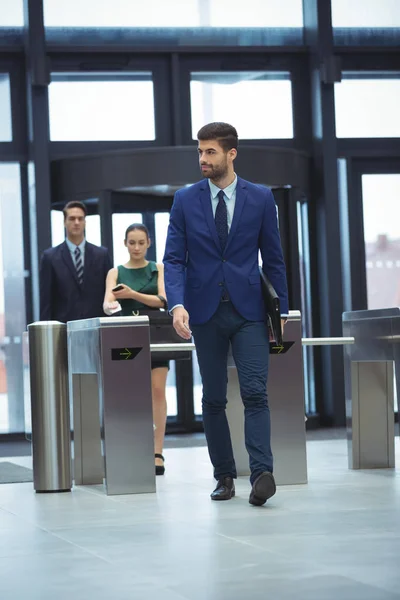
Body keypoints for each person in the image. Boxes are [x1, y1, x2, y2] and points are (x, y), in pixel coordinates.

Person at [163, 122, 289, 506]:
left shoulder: (262, 197)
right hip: (203, 313)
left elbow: (275, 258)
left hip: (249, 311)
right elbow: (173, 259)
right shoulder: (185, 200)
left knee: (255, 393)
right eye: (200, 152)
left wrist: (279, 308)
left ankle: (262, 473)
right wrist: (178, 304)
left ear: (231, 153)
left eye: (210, 152)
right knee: (214, 398)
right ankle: (224, 476)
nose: (203, 158)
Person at [103, 224, 169, 476]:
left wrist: (132, 294)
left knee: (156, 390)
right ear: (125, 244)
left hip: (156, 335)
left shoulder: (158, 268)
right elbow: (107, 302)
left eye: (141, 242)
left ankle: (157, 452)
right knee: (129, 392)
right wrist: (116, 300)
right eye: (132, 242)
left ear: (149, 243)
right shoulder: (115, 272)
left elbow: (163, 300)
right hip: (126, 333)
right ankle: (131, 447)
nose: (137, 247)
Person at [40, 201, 112, 323]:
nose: (76, 223)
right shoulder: (50, 257)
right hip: (64, 328)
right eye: (72, 219)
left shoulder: (102, 255)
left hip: (96, 325)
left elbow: (109, 293)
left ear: (85, 222)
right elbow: (46, 301)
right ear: (64, 222)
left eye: (80, 218)